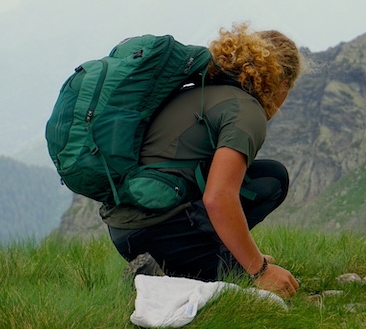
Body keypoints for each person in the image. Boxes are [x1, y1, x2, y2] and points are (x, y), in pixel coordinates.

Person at [100, 23, 302, 298]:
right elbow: (219, 197)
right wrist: (260, 270)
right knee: (273, 181)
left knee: (266, 175)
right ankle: (168, 272)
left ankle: (202, 259)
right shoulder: (247, 111)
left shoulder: (198, 89)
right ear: (281, 84)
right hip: (154, 232)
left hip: (125, 228)